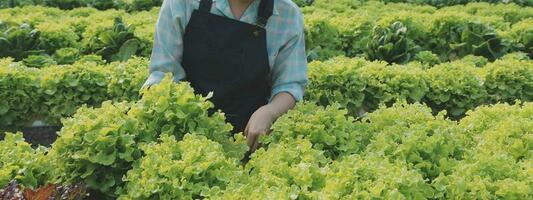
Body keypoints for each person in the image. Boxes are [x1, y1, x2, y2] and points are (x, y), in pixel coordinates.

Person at [143, 0, 308, 151]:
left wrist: (270, 112)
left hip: (250, 140)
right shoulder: (181, 3)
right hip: (185, 137)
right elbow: (164, 76)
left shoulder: (287, 15)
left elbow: (290, 85)